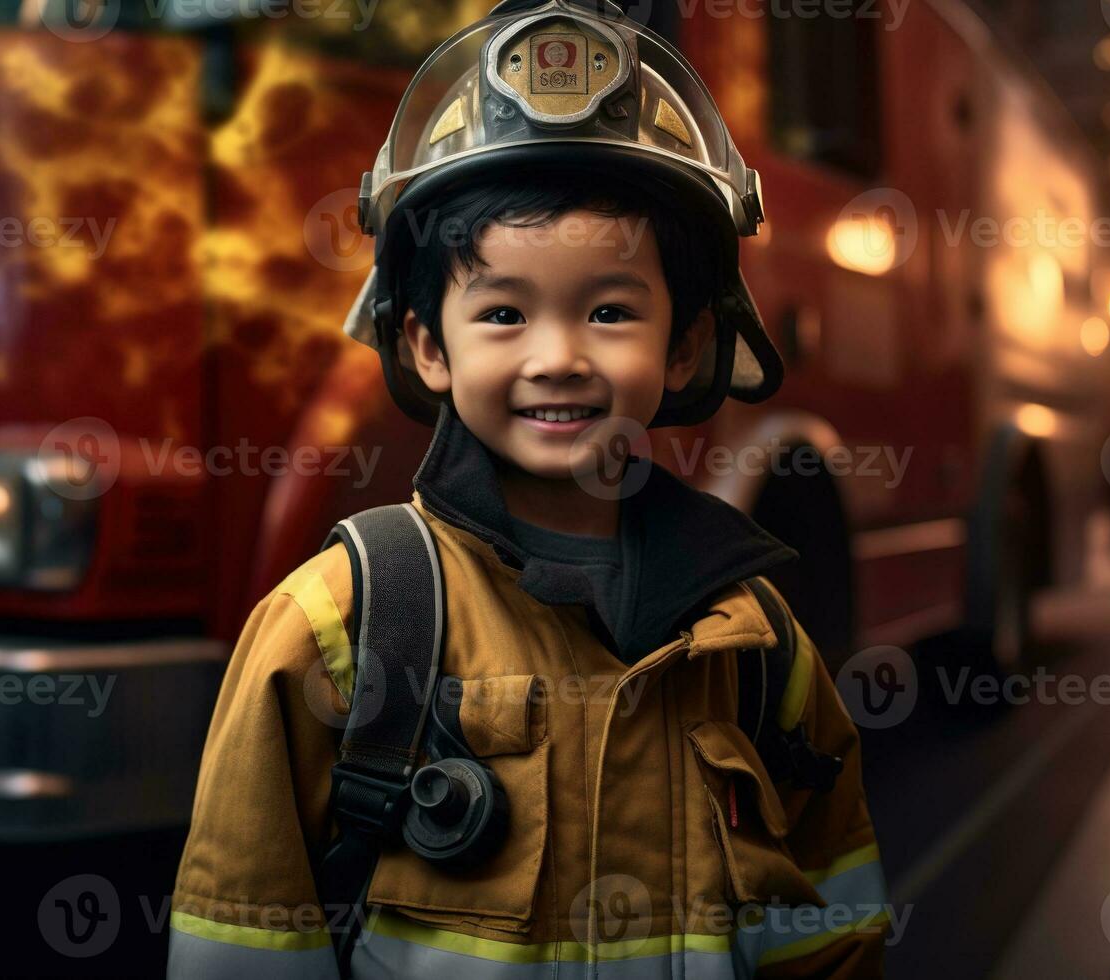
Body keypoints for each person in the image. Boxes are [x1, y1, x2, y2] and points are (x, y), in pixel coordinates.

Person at [167, 1, 890, 976]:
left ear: (684, 347)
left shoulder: (758, 646)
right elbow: (238, 944)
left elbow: (836, 930)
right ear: (428, 345)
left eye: (609, 310)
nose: (559, 358)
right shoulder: (336, 627)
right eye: (503, 311)